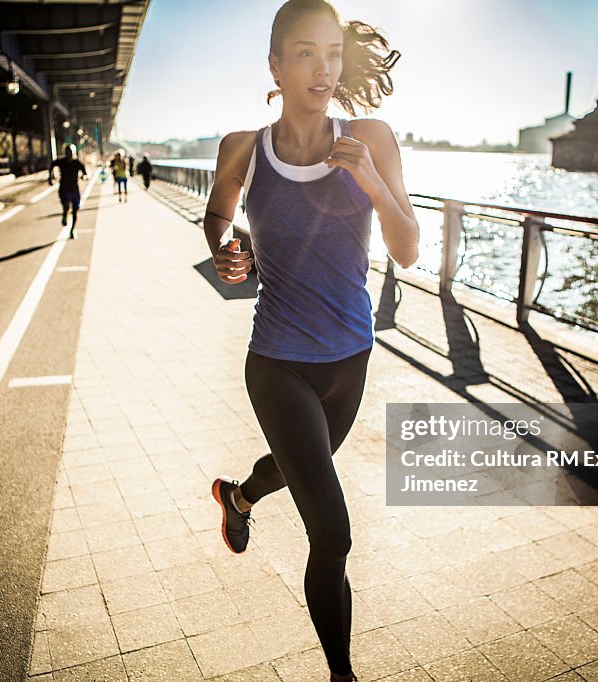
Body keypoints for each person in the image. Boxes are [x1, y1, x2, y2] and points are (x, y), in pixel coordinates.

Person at [203, 2, 418, 681]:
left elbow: (408, 251)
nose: (322, 67)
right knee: (332, 530)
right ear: (275, 65)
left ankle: (237, 498)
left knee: (294, 469)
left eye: (330, 52)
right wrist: (223, 247)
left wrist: (374, 185)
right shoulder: (242, 145)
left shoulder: (373, 137)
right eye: (303, 53)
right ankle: (342, 675)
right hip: (276, 363)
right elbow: (217, 210)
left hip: (349, 361)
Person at [48, 144, 87, 239]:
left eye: (71, 152)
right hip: (64, 189)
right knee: (66, 204)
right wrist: (50, 177)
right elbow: (52, 165)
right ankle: (65, 214)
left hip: (74, 189)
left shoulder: (77, 163)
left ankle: (72, 229)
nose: (69, 154)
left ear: (74, 153)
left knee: (75, 210)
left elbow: (85, 173)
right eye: (67, 152)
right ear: (65, 152)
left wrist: (84, 177)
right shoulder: (61, 161)